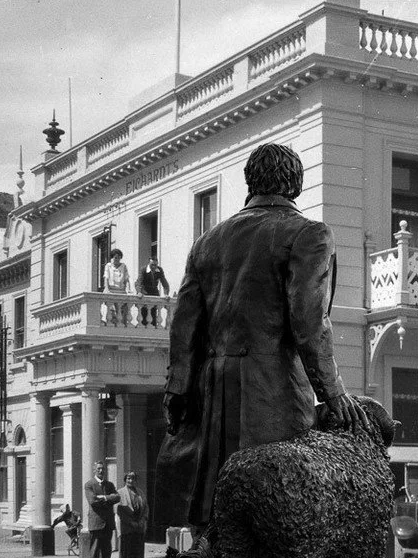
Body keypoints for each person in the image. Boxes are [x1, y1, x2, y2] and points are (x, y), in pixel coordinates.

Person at [152, 143, 369, 532]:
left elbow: (183, 328)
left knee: (218, 516)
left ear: (251, 182)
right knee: (283, 511)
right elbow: (309, 323)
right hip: (273, 393)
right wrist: (333, 392)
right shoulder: (309, 234)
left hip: (214, 397)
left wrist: (178, 390)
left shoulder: (207, 242)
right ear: (296, 185)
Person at [84, 462, 119, 558]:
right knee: (94, 551)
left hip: (108, 522)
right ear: (94, 470)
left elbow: (117, 497)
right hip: (96, 522)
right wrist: (109, 500)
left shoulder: (109, 484)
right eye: (98, 468)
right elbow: (93, 501)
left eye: (102, 469)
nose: (101, 471)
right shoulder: (89, 485)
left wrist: (104, 498)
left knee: (107, 551)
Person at [116, 471, 148, 558]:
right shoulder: (120, 493)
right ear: (125, 479)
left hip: (139, 526)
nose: (131, 481)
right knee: (127, 550)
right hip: (127, 527)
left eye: (133, 478)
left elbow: (145, 507)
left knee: (136, 550)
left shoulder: (140, 492)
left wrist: (142, 520)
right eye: (128, 478)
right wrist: (131, 522)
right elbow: (120, 511)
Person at [138, 248, 172, 327]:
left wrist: (166, 294)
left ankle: (153, 327)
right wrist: (139, 291)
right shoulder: (143, 269)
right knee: (144, 312)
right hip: (145, 292)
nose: (154, 266)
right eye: (152, 264)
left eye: (155, 265)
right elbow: (139, 281)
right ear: (149, 263)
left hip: (154, 293)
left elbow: (164, 283)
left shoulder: (159, 270)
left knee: (153, 312)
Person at [101, 249, 135, 324]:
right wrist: (106, 288)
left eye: (119, 258)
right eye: (115, 257)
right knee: (110, 309)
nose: (117, 259)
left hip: (121, 291)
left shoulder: (123, 266)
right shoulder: (108, 266)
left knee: (122, 309)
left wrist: (129, 289)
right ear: (112, 258)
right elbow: (106, 277)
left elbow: (126, 278)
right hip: (111, 290)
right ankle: (110, 323)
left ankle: (122, 324)